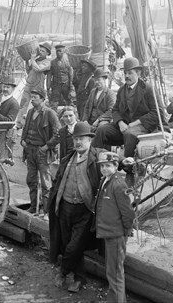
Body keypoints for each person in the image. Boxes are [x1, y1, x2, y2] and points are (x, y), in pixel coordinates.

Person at [48, 121, 100, 294]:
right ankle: (79, 278)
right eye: (76, 139)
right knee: (68, 244)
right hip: (64, 207)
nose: (78, 142)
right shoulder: (67, 159)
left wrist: (126, 162)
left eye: (82, 139)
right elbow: (56, 182)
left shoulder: (97, 159)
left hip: (84, 210)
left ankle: (62, 272)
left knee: (74, 246)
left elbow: (115, 164)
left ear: (90, 141)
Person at [92, 57, 164, 161]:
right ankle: (96, 161)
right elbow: (115, 110)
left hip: (144, 127)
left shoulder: (148, 89)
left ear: (138, 73)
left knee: (129, 134)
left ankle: (129, 169)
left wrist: (135, 124)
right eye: (125, 73)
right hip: (124, 126)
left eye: (130, 73)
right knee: (102, 130)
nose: (126, 76)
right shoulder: (122, 90)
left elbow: (157, 112)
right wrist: (120, 122)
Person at [94, 151, 135, 303]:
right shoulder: (106, 180)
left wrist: (124, 233)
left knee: (115, 274)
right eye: (102, 166)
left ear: (116, 166)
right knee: (112, 272)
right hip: (109, 233)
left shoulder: (118, 184)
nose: (104, 169)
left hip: (116, 235)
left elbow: (128, 213)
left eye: (108, 166)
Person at [20, 88, 60, 215]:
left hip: (42, 152)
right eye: (31, 97)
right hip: (30, 150)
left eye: (35, 97)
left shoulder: (50, 113)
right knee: (31, 180)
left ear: (43, 99)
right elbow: (26, 128)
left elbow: (58, 134)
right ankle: (33, 206)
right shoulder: (31, 112)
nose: (32, 99)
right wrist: (22, 140)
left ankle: (46, 211)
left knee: (45, 182)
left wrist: (47, 146)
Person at [16, 42, 52, 127]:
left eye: (43, 51)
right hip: (29, 84)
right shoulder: (35, 60)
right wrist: (27, 61)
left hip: (38, 86)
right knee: (23, 103)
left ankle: (37, 124)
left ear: (47, 53)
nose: (41, 52)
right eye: (40, 50)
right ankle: (19, 123)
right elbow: (29, 71)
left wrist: (32, 60)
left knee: (37, 104)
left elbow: (38, 69)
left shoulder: (48, 62)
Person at [47, 44, 75, 110]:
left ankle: (72, 116)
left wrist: (71, 87)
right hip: (56, 86)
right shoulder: (52, 62)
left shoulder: (68, 62)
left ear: (64, 51)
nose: (58, 53)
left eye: (60, 51)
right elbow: (49, 75)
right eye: (57, 51)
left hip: (66, 85)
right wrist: (48, 88)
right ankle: (53, 118)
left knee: (69, 102)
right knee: (54, 103)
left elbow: (71, 75)